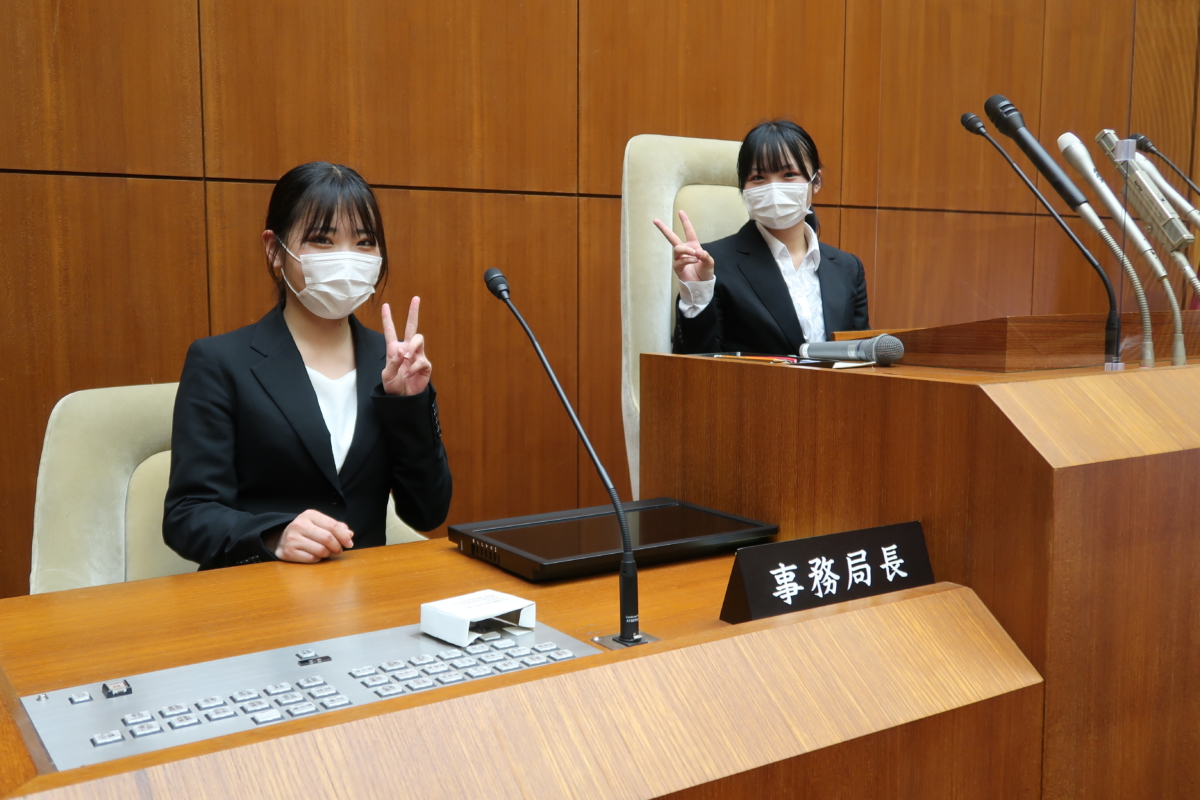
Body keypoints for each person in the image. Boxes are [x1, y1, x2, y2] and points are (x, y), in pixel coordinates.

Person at [164, 162, 452, 570]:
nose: (346, 259)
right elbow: (187, 515)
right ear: (274, 249)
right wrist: (274, 534)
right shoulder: (219, 362)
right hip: (260, 593)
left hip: (369, 594)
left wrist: (410, 407)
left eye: (364, 242)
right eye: (322, 240)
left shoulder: (393, 362)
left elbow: (427, 512)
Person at [654, 120, 869, 355]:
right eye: (758, 178)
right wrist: (698, 292)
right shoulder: (711, 265)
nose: (773, 188)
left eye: (789, 174)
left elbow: (862, 356)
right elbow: (696, 364)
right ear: (743, 188)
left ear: (815, 181)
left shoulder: (848, 268)